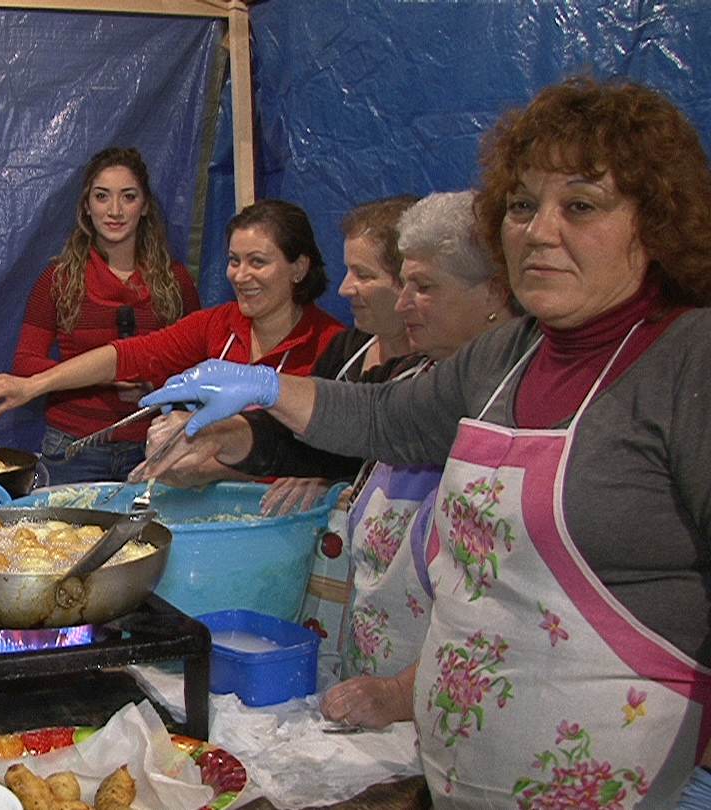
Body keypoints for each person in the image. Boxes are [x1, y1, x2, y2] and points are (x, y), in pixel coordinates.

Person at [140, 77, 711, 807]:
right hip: (462, 774)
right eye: (522, 205)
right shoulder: (511, 355)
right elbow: (384, 420)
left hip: (621, 782)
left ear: (656, 220)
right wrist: (265, 391)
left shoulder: (687, 359)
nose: (539, 231)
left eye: (581, 205)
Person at [147, 191, 518, 725]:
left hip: (463, 693)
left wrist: (400, 693)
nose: (403, 300)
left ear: (495, 292)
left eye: (423, 286)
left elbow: (494, 601)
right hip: (386, 660)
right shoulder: (417, 378)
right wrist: (227, 436)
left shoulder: (504, 392)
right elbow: (359, 421)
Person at [137, 195, 419, 513]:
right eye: (234, 260)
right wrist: (214, 437)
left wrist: (333, 479)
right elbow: (295, 442)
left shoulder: (436, 373)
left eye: (363, 275)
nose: (345, 288)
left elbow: (376, 432)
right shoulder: (349, 351)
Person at [0, 199, 346, 438]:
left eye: (258, 262)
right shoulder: (216, 324)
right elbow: (126, 355)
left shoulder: (334, 343)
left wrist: (314, 476)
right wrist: (31, 386)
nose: (240, 275)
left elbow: (340, 441)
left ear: (298, 268)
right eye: (234, 261)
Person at [7, 147, 200, 484]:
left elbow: (201, 367)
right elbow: (25, 365)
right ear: (86, 206)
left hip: (155, 445)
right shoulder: (58, 279)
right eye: (102, 197)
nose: (114, 210)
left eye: (128, 197)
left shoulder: (175, 280)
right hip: (74, 448)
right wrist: (105, 373)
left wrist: (155, 384)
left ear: (145, 206)